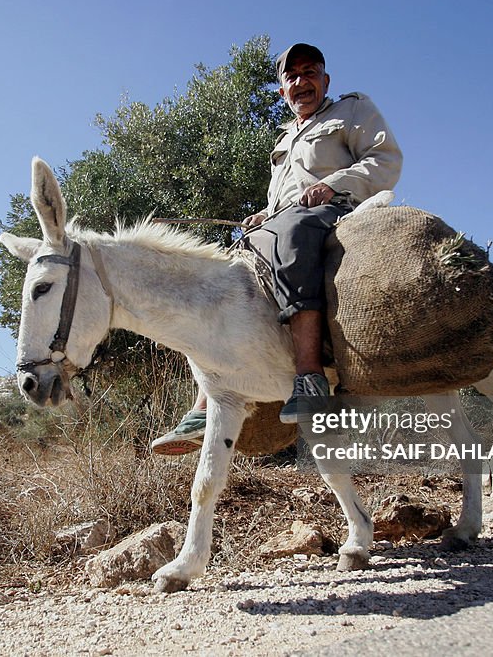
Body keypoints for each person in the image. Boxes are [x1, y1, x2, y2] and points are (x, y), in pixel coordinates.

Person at [151, 43, 403, 455]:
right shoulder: (285, 138)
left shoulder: (353, 110)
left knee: (291, 234)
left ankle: (309, 375)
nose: (301, 81)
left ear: (325, 80)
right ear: (283, 91)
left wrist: (335, 184)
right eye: (292, 76)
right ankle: (207, 401)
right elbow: (280, 200)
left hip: (335, 212)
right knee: (225, 273)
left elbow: (385, 159)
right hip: (285, 221)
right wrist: (261, 216)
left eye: (310, 72)